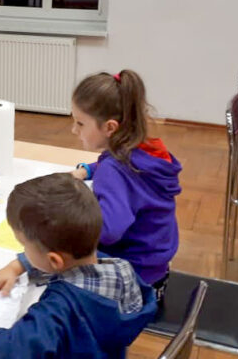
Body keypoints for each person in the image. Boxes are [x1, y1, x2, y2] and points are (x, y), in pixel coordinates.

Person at [0, 173, 156, 359]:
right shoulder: (122, 268)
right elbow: (73, 262)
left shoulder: (57, 310)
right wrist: (18, 265)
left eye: (24, 245)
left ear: (54, 260)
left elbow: (13, 350)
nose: (23, 251)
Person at [68, 71, 181, 298]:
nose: (74, 130)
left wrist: (71, 220)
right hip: (155, 271)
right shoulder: (146, 149)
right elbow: (118, 167)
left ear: (110, 128)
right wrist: (87, 170)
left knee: (51, 277)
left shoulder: (113, 170)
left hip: (134, 282)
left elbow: (108, 231)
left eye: (80, 123)